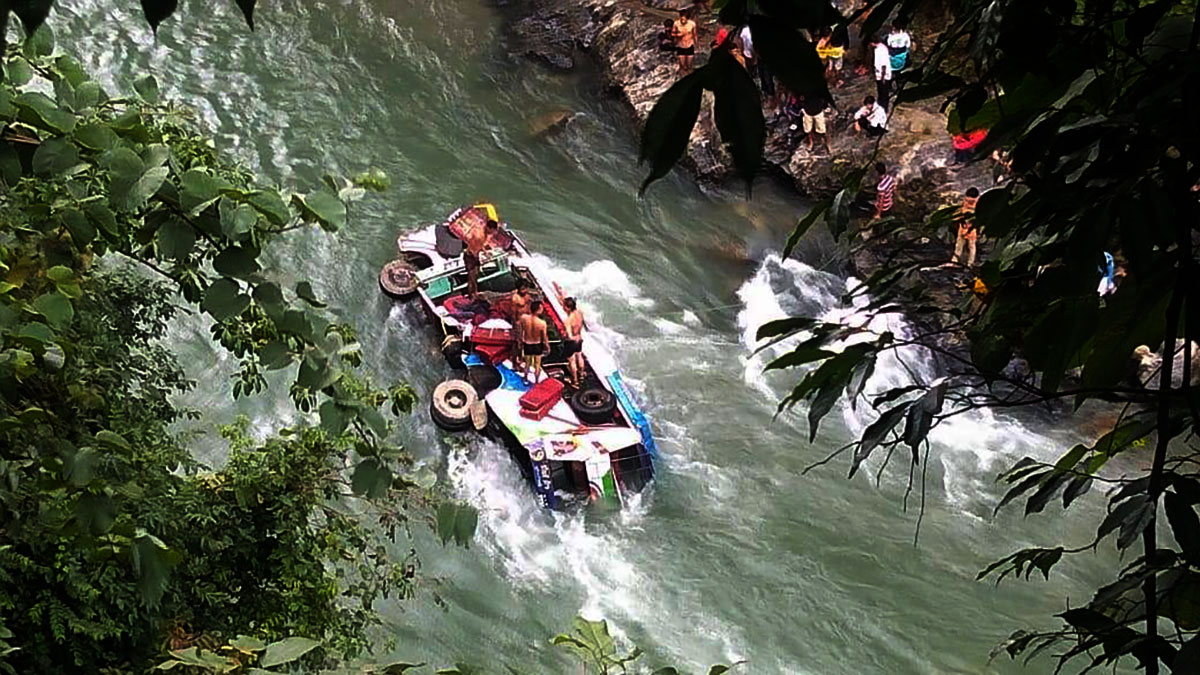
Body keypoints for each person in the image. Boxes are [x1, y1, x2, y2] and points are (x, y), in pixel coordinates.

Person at [463, 218, 498, 298]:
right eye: (492, 231)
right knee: (472, 278)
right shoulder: (479, 235)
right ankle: (472, 295)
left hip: (475, 255)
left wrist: (485, 252)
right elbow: (472, 247)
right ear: (489, 228)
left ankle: (475, 293)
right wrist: (475, 256)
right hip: (470, 256)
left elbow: (480, 245)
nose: (492, 233)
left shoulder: (485, 234)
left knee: (476, 275)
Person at [518, 300, 550, 383]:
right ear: (539, 309)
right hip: (537, 344)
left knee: (527, 363)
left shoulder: (524, 318)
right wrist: (547, 346)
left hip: (527, 342)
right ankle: (536, 381)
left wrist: (520, 341)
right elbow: (544, 337)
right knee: (537, 364)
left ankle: (525, 378)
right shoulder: (542, 323)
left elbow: (521, 331)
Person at [953, 187, 979, 267]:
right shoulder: (963, 203)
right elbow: (958, 213)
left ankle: (970, 264)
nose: (969, 202)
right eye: (967, 200)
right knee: (958, 245)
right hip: (962, 227)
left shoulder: (979, 205)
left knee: (971, 246)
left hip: (972, 229)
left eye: (971, 200)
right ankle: (954, 261)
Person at [563, 297, 585, 387]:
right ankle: (582, 375)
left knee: (572, 361)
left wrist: (565, 337)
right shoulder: (580, 313)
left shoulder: (568, 320)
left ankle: (575, 381)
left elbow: (569, 335)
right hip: (579, 338)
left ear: (568, 308)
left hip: (572, 341)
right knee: (579, 356)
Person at [871, 35, 893, 110]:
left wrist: (883, 78)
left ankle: (884, 108)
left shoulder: (879, 50)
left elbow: (884, 65)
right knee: (881, 92)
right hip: (880, 74)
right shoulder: (881, 47)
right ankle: (881, 105)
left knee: (883, 92)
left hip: (883, 75)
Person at [672, 8, 698, 73]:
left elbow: (695, 34)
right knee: (683, 65)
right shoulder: (676, 24)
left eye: (684, 19)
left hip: (689, 45)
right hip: (681, 46)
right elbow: (672, 34)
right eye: (681, 19)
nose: (682, 21)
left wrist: (696, 44)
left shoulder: (692, 24)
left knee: (689, 65)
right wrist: (678, 35)